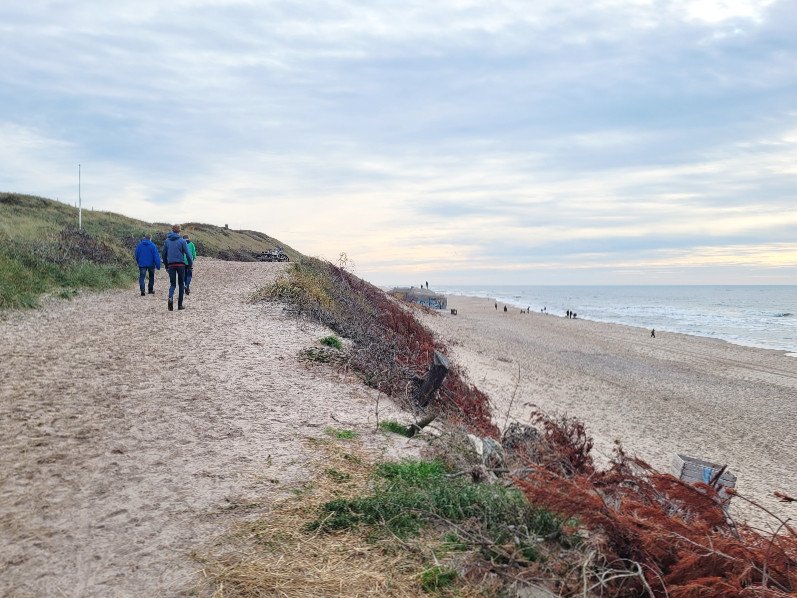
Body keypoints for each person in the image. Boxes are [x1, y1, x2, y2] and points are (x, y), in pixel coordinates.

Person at [162, 224, 192, 311]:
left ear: (172, 230)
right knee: (181, 284)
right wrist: (190, 265)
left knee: (172, 284)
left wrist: (166, 265)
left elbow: (164, 255)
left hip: (171, 265)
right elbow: (188, 254)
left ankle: (170, 299)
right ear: (179, 231)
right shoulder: (182, 241)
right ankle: (179, 305)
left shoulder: (167, 241)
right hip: (181, 265)